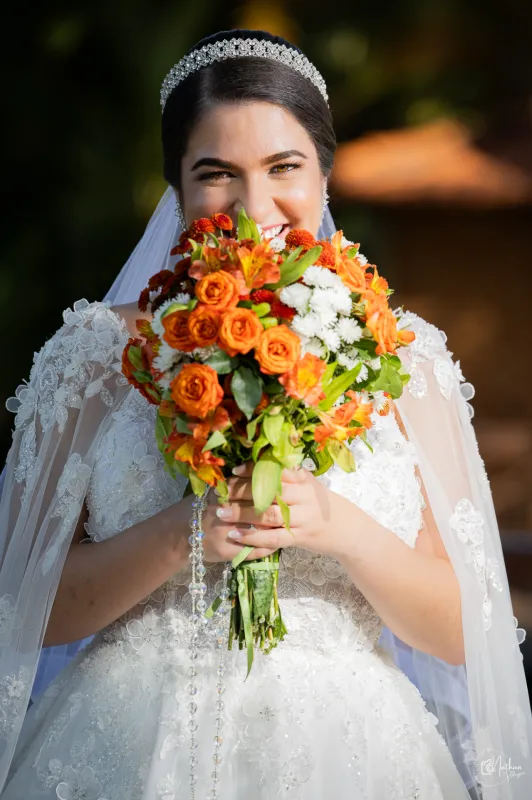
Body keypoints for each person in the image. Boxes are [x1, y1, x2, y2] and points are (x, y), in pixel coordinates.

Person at [0, 28, 531, 800]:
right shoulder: (94, 356)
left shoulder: (403, 359)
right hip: (128, 748)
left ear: (323, 172)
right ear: (176, 187)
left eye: (284, 167)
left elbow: (463, 630)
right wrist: (183, 536)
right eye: (216, 173)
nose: (255, 206)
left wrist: (339, 528)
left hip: (351, 759)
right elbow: (20, 603)